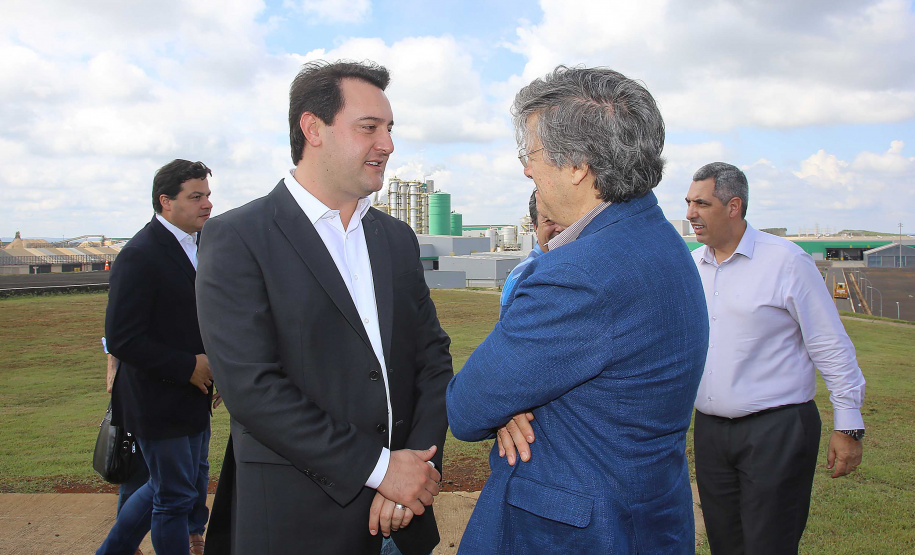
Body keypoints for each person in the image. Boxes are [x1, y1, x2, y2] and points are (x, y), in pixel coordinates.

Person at [447, 65, 709, 553]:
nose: (527, 169)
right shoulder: (656, 239)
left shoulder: (582, 273)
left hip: (579, 532)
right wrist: (510, 400)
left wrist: (503, 403)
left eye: (532, 154)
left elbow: (466, 408)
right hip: (646, 515)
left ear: (577, 166)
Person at [195, 60, 453, 555]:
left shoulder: (396, 238)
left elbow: (433, 360)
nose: (388, 145)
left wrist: (415, 470)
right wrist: (380, 470)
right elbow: (252, 388)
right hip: (298, 525)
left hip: (405, 521)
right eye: (369, 128)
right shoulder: (237, 238)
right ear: (312, 128)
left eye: (390, 128)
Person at [685, 162, 866, 554]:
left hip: (777, 430)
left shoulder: (786, 261)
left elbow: (830, 344)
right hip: (712, 433)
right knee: (724, 543)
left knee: (769, 545)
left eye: (701, 204)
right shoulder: (693, 267)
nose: (690, 214)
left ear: (734, 207)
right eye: (688, 203)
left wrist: (848, 424)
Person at [97, 159, 216, 555]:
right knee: (173, 497)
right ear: (166, 202)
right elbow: (122, 338)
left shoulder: (201, 245)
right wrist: (189, 366)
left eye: (208, 195)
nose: (207, 204)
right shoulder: (139, 254)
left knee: (171, 488)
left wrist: (217, 371)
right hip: (157, 398)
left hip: (194, 395)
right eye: (196, 196)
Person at [499, 190, 565, 308]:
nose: (559, 228)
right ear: (535, 227)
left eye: (564, 219)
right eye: (549, 221)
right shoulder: (523, 277)